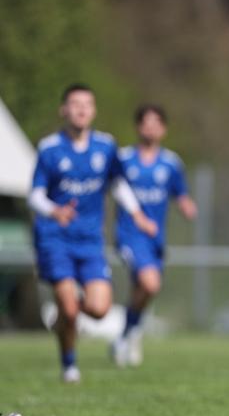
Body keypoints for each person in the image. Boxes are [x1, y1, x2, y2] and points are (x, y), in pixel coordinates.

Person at [28, 84, 157, 383]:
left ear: (94, 110)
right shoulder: (49, 148)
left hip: (90, 240)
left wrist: (138, 214)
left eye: (87, 104)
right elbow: (34, 195)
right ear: (64, 110)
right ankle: (69, 365)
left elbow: (118, 184)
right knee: (70, 310)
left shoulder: (106, 147)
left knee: (98, 309)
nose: (81, 109)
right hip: (55, 238)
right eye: (75, 104)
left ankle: (64, 318)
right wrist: (53, 210)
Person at [111, 105, 196, 367]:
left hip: (155, 238)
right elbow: (110, 185)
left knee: (144, 288)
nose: (150, 128)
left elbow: (179, 192)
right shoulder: (123, 159)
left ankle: (126, 334)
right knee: (149, 284)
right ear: (138, 127)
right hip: (129, 233)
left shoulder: (171, 163)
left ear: (164, 129)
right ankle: (132, 333)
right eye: (145, 123)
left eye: (156, 123)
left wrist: (185, 205)